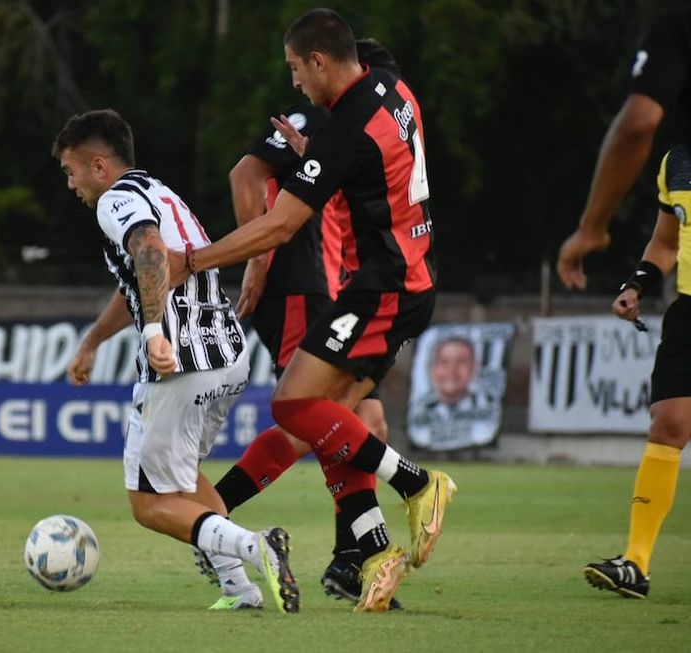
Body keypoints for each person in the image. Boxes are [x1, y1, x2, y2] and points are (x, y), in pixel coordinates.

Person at [170, 9, 456, 612]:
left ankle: (416, 483)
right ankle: (368, 556)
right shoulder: (389, 84)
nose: (296, 83)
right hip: (407, 277)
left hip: (381, 287)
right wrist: (318, 158)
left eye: (297, 69)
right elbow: (363, 161)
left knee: (294, 406)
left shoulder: (344, 130)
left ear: (320, 61)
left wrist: (192, 261)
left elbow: (278, 226)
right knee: (334, 423)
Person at [52, 109, 299, 613]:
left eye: (71, 171)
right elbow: (143, 277)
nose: (70, 183)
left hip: (181, 362)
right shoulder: (160, 192)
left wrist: (154, 333)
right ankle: (240, 590)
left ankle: (257, 547)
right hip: (226, 358)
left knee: (149, 505)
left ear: (99, 165)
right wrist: (93, 341)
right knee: (184, 480)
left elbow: (149, 252)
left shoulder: (116, 201)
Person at [198, 38, 406, 608]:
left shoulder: (354, 125)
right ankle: (210, 521)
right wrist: (256, 266)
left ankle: (345, 559)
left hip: (342, 291)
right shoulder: (320, 112)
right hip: (300, 282)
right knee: (310, 420)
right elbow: (246, 174)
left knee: (368, 423)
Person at [583, 143, 691, 599]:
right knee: (667, 425)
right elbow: (666, 241)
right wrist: (637, 284)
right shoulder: (678, 161)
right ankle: (637, 563)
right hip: (688, 311)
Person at [557, 8, 691, 291]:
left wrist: (591, 227)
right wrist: (636, 287)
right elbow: (665, 244)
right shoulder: (676, 171)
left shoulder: (677, 21)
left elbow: (637, 123)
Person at [407, 335, 500, 450]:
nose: (452, 369)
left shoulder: (485, 407)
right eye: (444, 362)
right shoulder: (421, 409)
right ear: (432, 368)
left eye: (461, 362)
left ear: (474, 367)